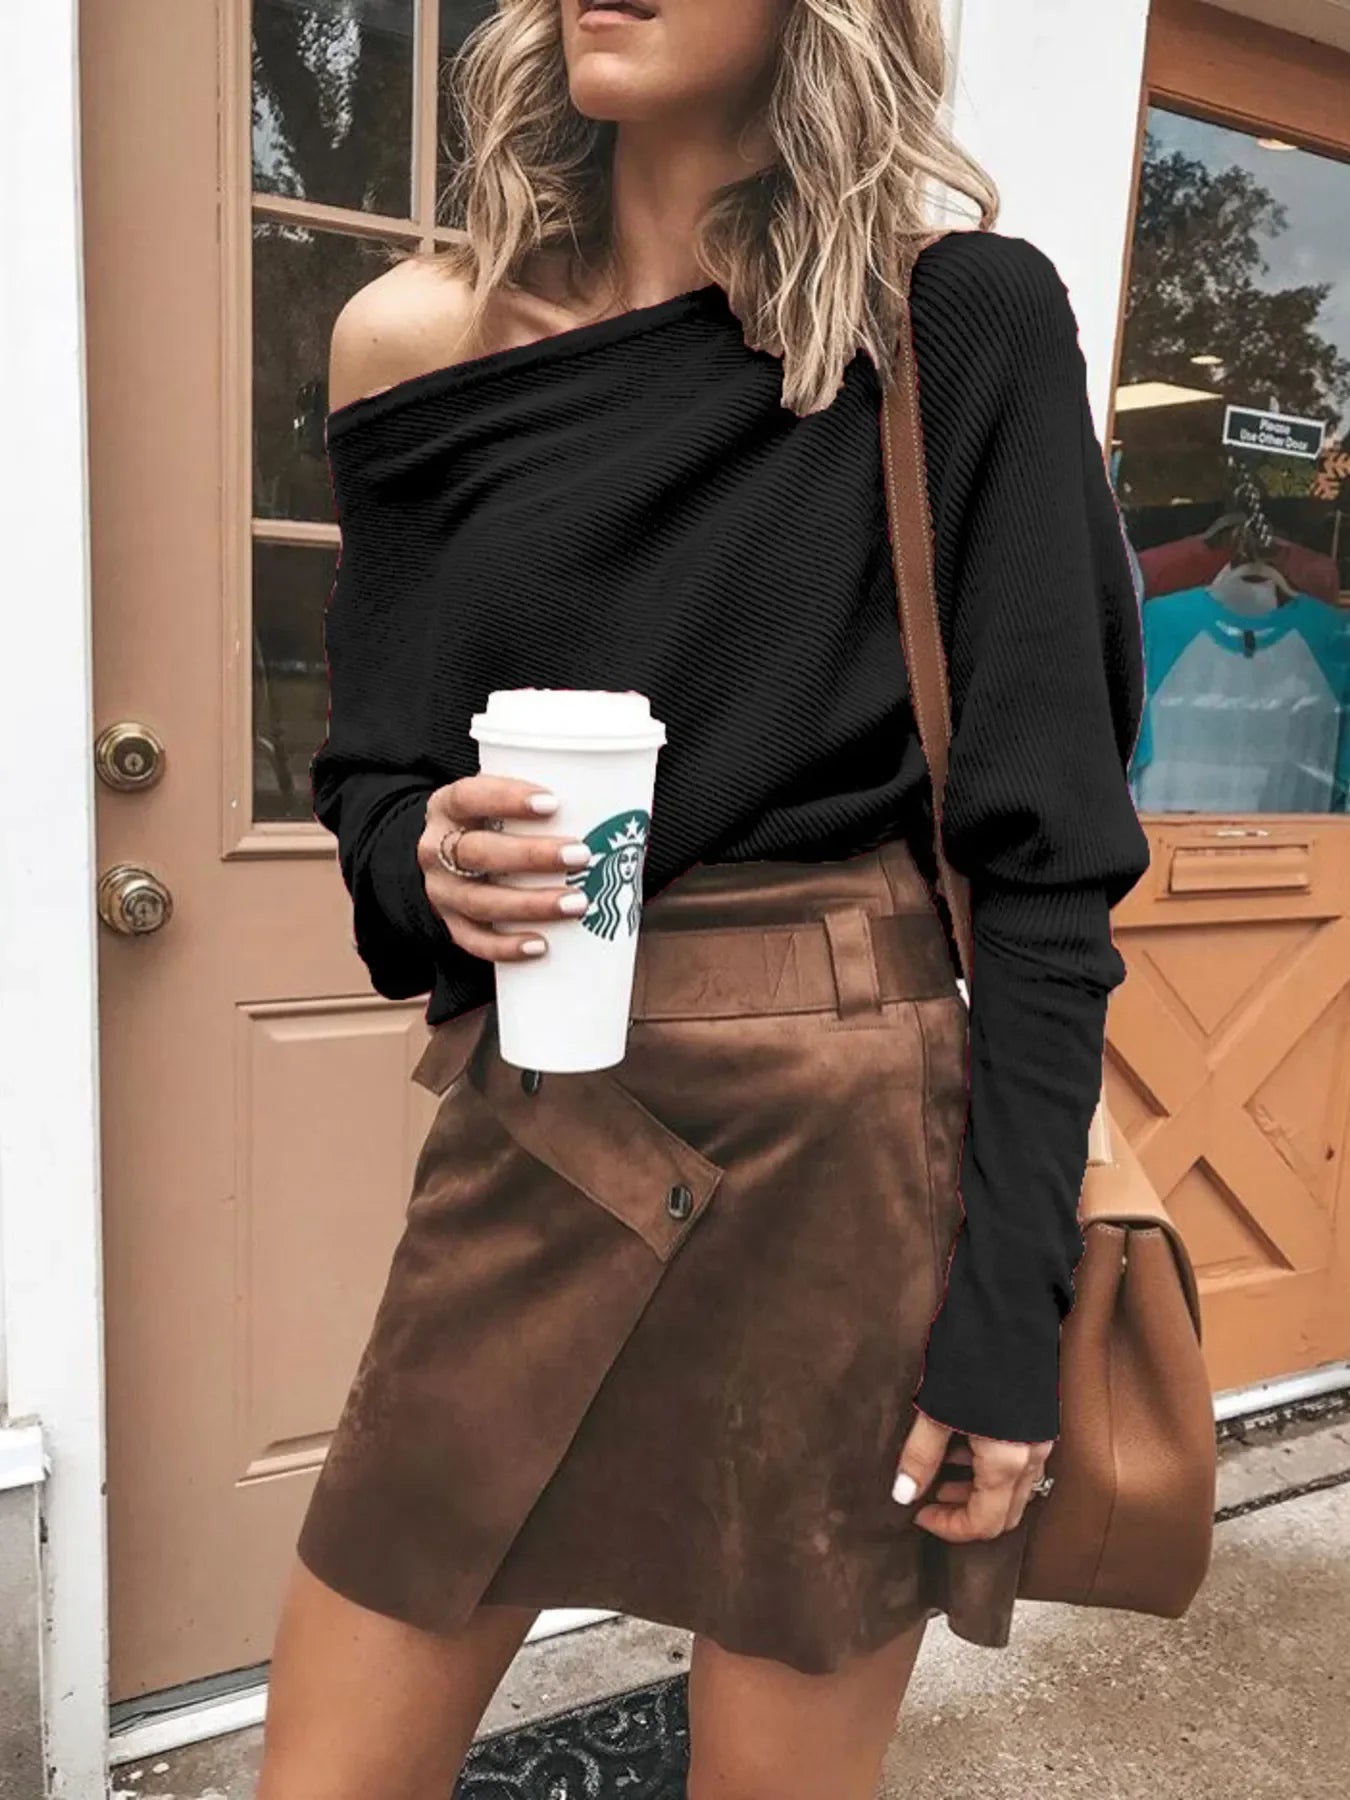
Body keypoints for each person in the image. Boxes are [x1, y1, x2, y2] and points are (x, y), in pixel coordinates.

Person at [256, 1, 1150, 1795]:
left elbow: (1042, 866)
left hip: (848, 1150)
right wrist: (425, 858)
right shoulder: (408, 339)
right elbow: (367, 772)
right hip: (541, 1129)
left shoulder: (956, 318)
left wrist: (1003, 1329)